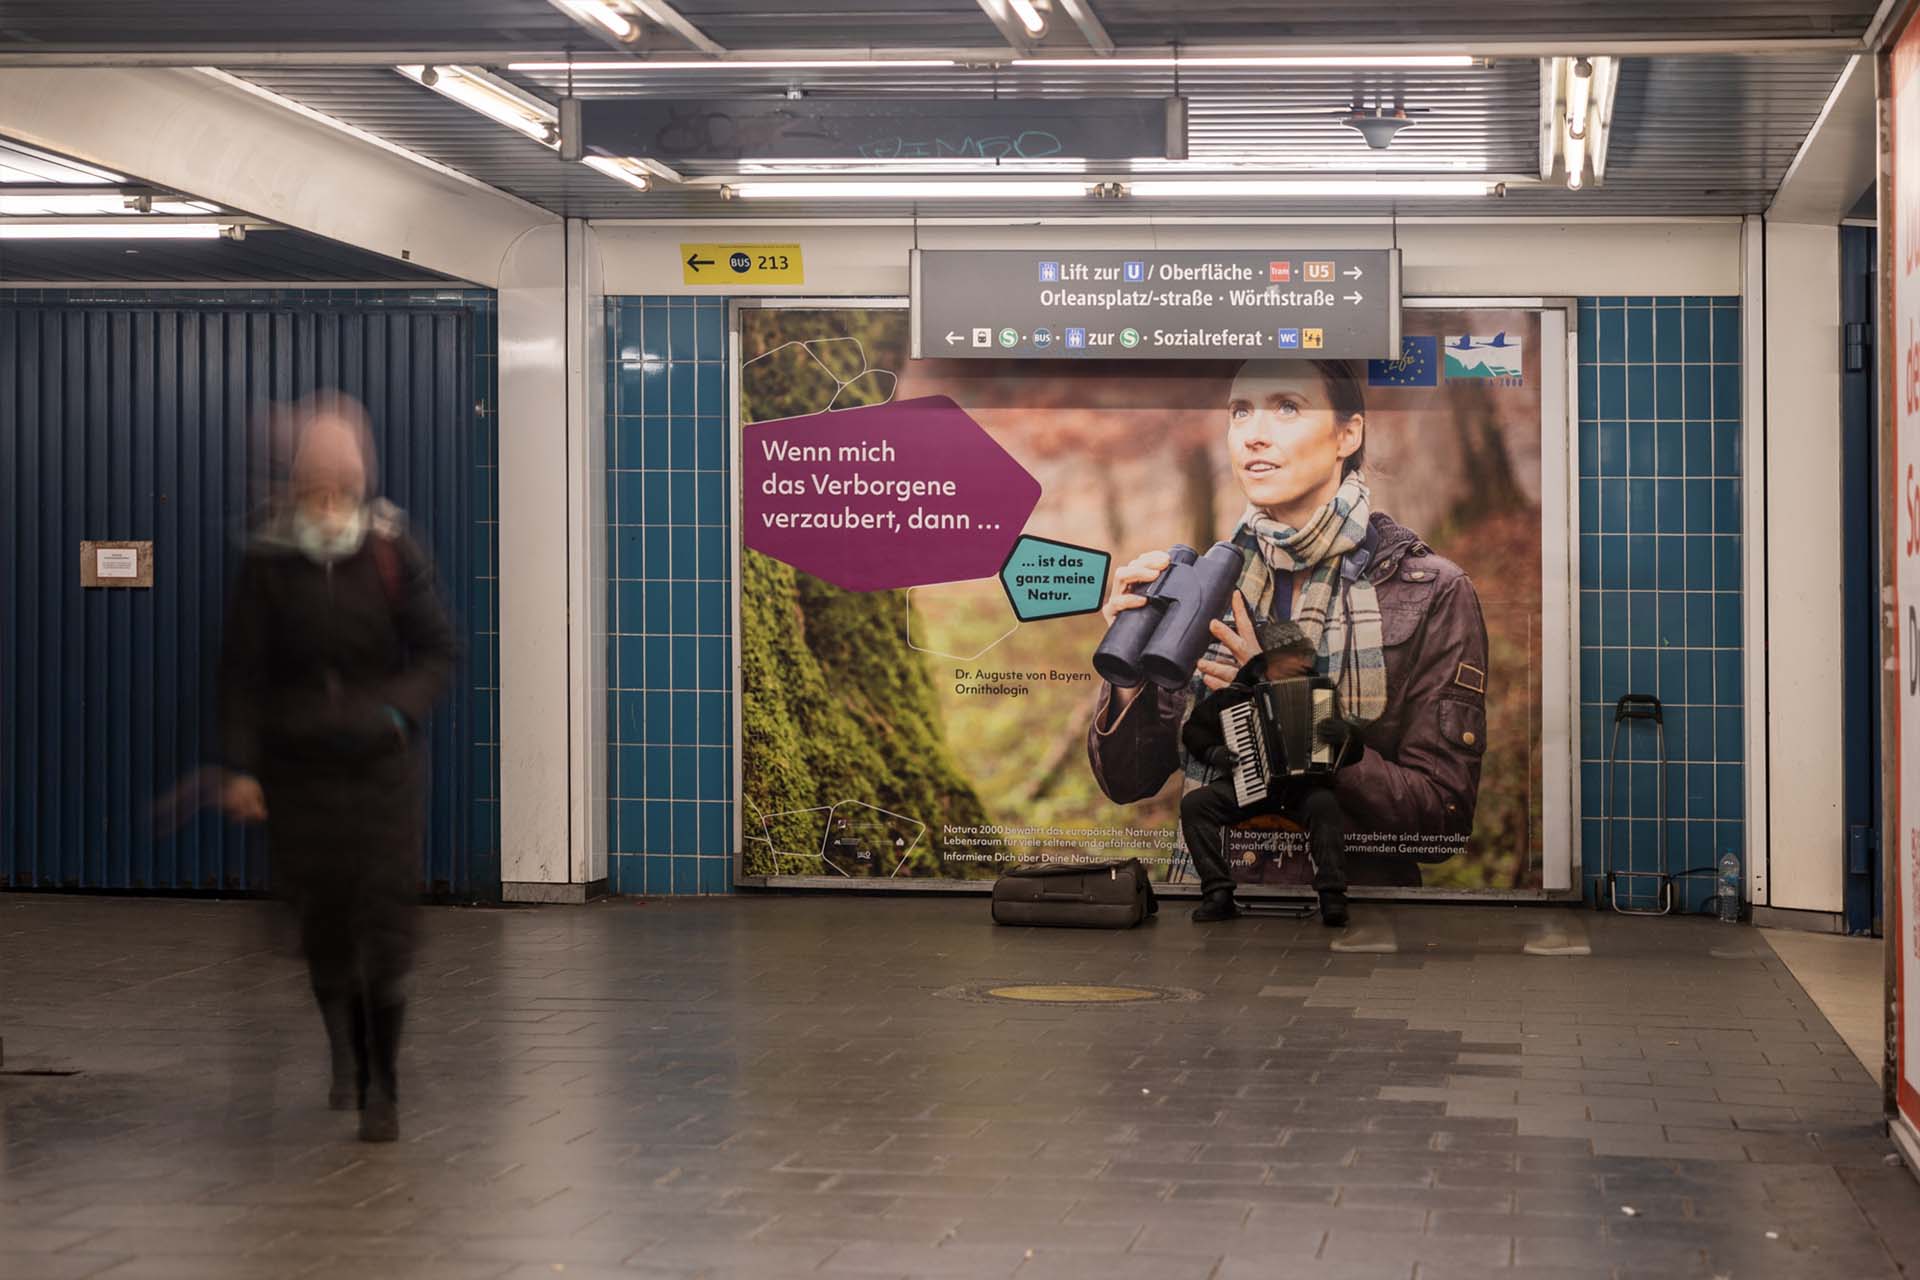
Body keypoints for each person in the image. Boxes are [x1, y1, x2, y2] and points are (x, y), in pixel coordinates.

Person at [1087, 358, 1490, 891]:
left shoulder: (1432, 590)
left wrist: (1291, 715)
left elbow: (1442, 819)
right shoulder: (1210, 585)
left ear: (1348, 434)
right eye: (1240, 412)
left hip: (1353, 925)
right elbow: (1127, 781)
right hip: (1211, 902)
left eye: (1286, 408)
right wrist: (1129, 674)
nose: (1254, 435)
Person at [219, 397, 456, 1143]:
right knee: (323, 928)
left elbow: (438, 651)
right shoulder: (268, 560)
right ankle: (343, 1055)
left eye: (341, 491)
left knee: (384, 928)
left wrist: (394, 712)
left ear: (359, 488)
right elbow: (242, 673)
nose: (328, 506)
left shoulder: (391, 551)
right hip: (298, 776)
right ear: (296, 491)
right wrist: (241, 767)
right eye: (315, 491)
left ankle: (383, 1086)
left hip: (381, 772)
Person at [1177, 620, 1358, 925]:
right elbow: (1193, 731)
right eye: (1293, 655)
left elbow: (1353, 754)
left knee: (1324, 803)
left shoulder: (1320, 696)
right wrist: (1213, 752)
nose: (1302, 662)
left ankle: (1332, 897)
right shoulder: (1235, 695)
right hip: (1247, 786)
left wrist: (1347, 736)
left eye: (1304, 656)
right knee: (1195, 804)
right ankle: (1218, 894)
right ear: (1267, 661)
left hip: (1303, 789)